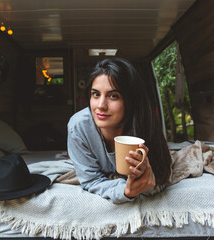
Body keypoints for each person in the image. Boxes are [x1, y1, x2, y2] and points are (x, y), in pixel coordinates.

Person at [67, 58, 172, 204]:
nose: (101, 106)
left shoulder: (144, 123)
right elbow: (91, 181)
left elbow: (159, 179)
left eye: (113, 96)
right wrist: (126, 192)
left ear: (131, 100)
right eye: (96, 94)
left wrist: (144, 178)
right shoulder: (78, 126)